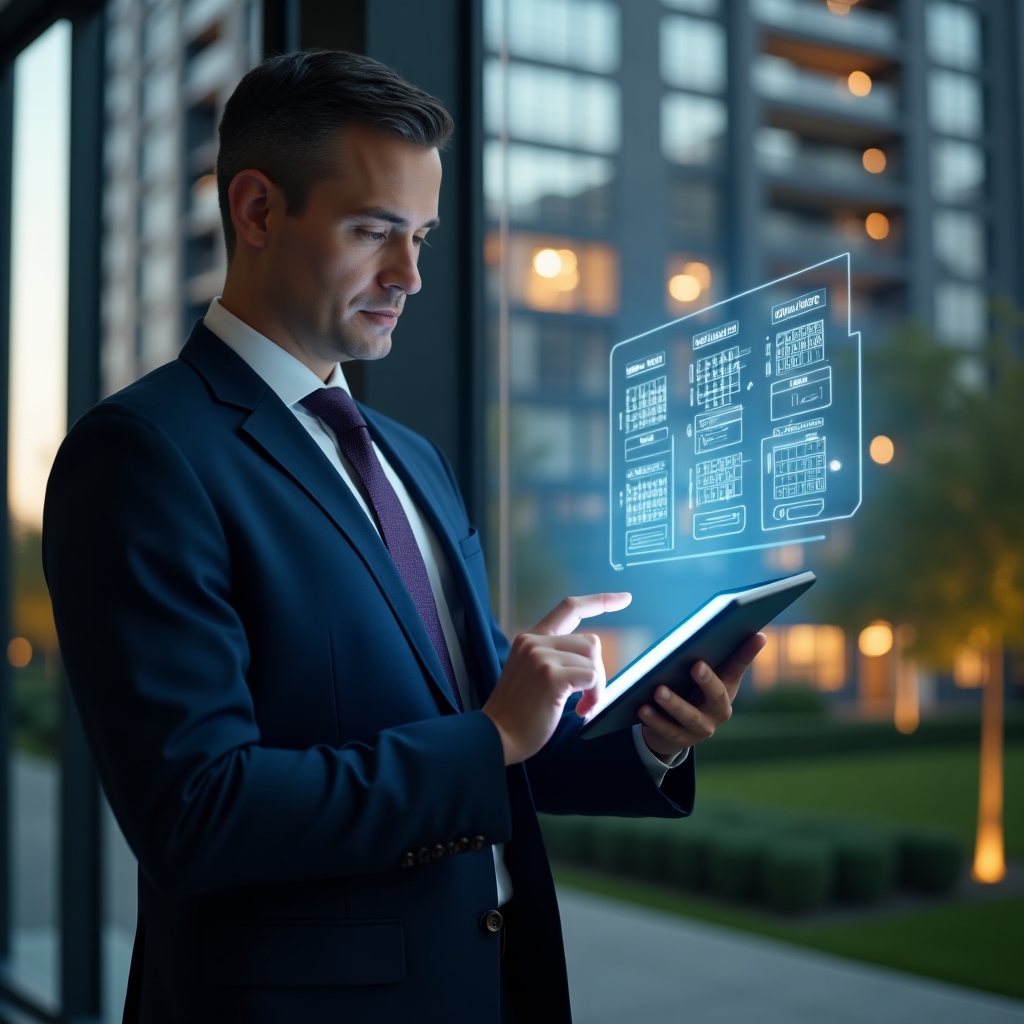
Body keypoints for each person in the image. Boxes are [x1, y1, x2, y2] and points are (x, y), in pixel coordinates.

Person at [43, 51, 764, 1022]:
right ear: (256, 211)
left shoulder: (409, 457)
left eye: (420, 237)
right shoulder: (142, 453)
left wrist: (644, 735)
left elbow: (485, 741)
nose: (410, 276)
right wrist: (490, 732)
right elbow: (197, 813)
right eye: (375, 232)